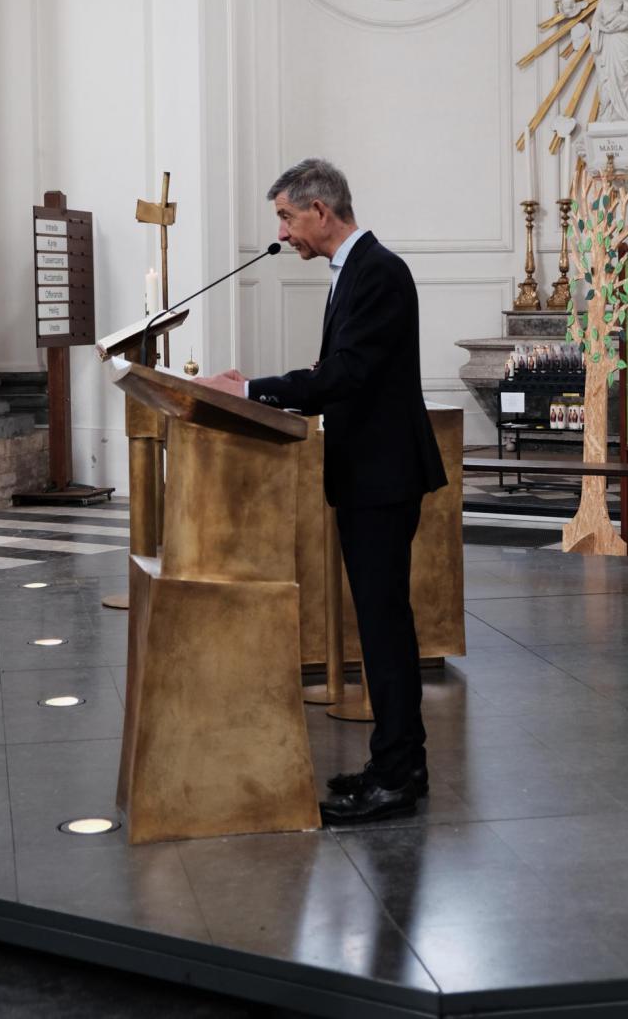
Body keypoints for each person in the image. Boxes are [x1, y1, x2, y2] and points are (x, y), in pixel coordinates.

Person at [196, 158, 446, 825]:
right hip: (369, 473)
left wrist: (252, 390)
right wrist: (266, 386)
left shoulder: (379, 271)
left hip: (383, 475)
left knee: (386, 628)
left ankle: (399, 776)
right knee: (378, 626)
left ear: (320, 212)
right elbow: (338, 368)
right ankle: (394, 762)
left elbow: (349, 373)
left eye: (285, 216)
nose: (282, 232)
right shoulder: (356, 272)